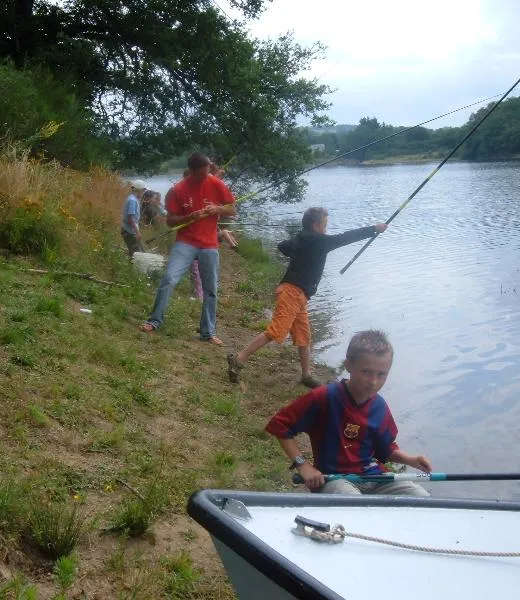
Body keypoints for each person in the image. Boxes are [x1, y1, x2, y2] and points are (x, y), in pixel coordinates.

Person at [227, 207, 388, 388]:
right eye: (324, 225)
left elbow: (283, 247)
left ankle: (306, 375)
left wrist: (300, 240)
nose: (326, 229)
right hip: (292, 294)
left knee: (304, 336)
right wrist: (373, 229)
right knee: (276, 331)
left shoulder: (302, 239)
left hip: (299, 295)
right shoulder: (320, 242)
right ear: (316, 225)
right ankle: (238, 359)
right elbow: (345, 238)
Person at [265, 329, 431, 496]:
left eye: (381, 374)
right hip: (334, 479)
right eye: (366, 372)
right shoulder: (324, 397)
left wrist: (410, 460)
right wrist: (303, 465)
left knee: (420, 497)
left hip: (374, 477)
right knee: (353, 501)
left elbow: (386, 448)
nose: (374, 382)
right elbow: (280, 425)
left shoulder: (379, 406)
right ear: (348, 365)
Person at [139, 152, 236, 344]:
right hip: (186, 242)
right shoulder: (178, 190)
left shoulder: (216, 184)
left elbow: (232, 209)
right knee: (169, 278)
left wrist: (218, 209)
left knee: (211, 289)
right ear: (191, 171)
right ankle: (154, 321)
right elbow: (170, 221)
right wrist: (190, 217)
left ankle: (208, 332)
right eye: (201, 173)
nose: (205, 176)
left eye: (207, 172)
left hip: (209, 243)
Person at [121, 179, 147, 258]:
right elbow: (130, 218)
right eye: (143, 191)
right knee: (136, 254)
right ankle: (133, 269)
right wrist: (137, 232)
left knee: (137, 252)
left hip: (130, 230)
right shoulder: (132, 200)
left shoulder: (132, 198)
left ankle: (133, 268)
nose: (143, 193)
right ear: (139, 190)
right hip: (129, 231)